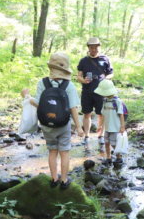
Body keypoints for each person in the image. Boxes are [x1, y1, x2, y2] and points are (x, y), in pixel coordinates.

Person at [21, 52, 84, 189]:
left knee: (52, 151)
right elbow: (73, 108)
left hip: (46, 125)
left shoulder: (42, 83)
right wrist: (79, 128)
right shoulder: (69, 85)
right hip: (63, 125)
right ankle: (64, 180)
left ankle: (54, 178)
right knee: (65, 152)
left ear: (50, 68)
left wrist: (26, 96)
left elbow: (37, 103)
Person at [77, 37, 114, 149]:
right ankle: (87, 136)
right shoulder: (83, 60)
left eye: (95, 47)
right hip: (87, 91)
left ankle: (101, 136)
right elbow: (78, 75)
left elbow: (111, 73)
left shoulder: (105, 58)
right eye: (91, 47)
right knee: (87, 113)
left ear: (99, 47)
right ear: (88, 47)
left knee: (101, 114)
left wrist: (106, 79)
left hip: (102, 92)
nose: (93, 49)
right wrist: (83, 80)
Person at [94, 79, 125, 164]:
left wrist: (122, 126)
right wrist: (100, 126)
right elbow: (103, 114)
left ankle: (119, 157)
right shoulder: (105, 101)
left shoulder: (117, 101)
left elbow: (121, 114)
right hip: (107, 127)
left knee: (114, 143)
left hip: (115, 127)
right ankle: (108, 157)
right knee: (106, 142)